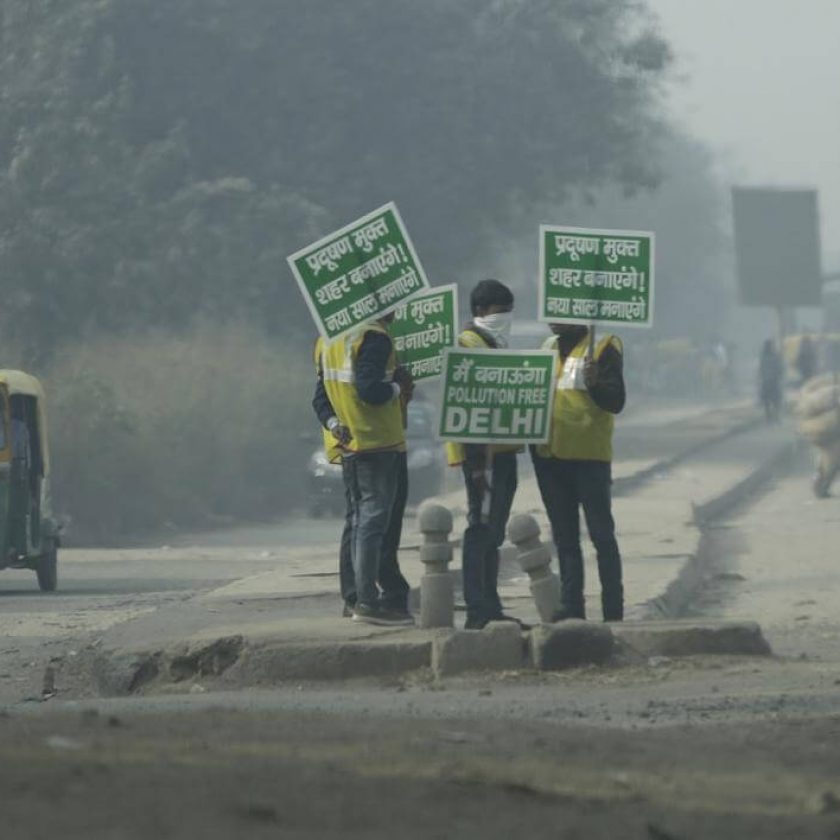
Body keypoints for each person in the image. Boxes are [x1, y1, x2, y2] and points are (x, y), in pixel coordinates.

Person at [312, 314, 414, 626]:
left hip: (349, 445)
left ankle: (353, 598)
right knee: (372, 522)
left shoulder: (328, 339)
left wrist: (334, 424)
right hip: (377, 443)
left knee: (355, 521)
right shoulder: (375, 338)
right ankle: (369, 602)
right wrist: (398, 386)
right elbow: (370, 390)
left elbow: (320, 398)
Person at [531, 323, 626, 622]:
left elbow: (616, 401)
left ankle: (613, 609)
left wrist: (596, 382)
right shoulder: (546, 348)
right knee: (564, 538)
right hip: (550, 456)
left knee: (601, 535)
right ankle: (572, 606)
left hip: (589, 456)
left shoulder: (604, 345)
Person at [446, 279, 523, 630]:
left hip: (502, 450)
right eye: (499, 311)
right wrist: (475, 464)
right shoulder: (469, 343)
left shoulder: (495, 342)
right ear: (479, 312)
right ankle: (478, 607)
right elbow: (464, 402)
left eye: (509, 311)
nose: (505, 317)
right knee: (481, 528)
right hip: (482, 456)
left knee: (494, 531)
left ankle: (490, 605)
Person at [758, 339, 783, 422]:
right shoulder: (775, 356)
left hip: (766, 381)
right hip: (773, 381)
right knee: (776, 400)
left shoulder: (763, 356)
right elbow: (779, 368)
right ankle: (775, 416)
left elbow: (761, 369)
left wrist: (762, 377)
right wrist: (779, 375)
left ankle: (769, 417)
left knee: (767, 400)